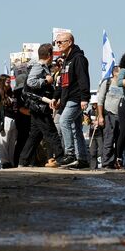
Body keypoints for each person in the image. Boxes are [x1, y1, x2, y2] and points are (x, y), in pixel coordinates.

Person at [20, 43, 64, 168]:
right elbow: (31, 81)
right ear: (49, 55)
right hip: (39, 107)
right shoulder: (38, 66)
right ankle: (61, 158)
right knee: (51, 132)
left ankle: (23, 161)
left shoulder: (41, 66)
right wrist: (45, 81)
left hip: (38, 106)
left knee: (35, 135)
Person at [53, 32, 91, 169]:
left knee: (64, 121)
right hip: (67, 98)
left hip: (75, 98)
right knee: (76, 129)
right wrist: (55, 97)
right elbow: (61, 82)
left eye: (60, 42)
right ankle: (82, 159)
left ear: (69, 42)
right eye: (56, 42)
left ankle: (70, 154)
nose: (58, 44)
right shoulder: (66, 60)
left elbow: (83, 79)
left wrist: (84, 98)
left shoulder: (79, 58)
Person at [95, 65, 122, 169]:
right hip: (109, 115)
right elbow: (100, 100)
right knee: (108, 139)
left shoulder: (124, 84)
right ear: (115, 73)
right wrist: (100, 116)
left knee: (119, 140)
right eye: (121, 72)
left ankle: (115, 161)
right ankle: (106, 163)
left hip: (121, 116)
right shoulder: (107, 83)